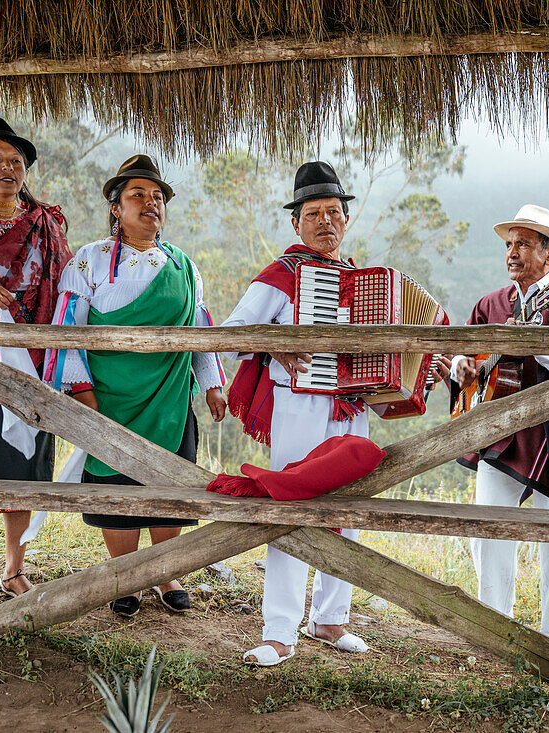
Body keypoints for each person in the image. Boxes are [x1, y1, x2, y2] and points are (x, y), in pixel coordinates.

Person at [45, 155, 227, 618]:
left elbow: (200, 326)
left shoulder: (184, 265)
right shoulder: (88, 261)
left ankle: (165, 572)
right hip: (108, 398)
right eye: (138, 195)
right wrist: (82, 394)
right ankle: (126, 574)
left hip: (168, 398)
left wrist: (211, 384)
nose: (152, 203)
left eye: (158, 196)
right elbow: (67, 326)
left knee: (169, 485)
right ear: (116, 208)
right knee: (116, 485)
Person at [222, 161, 380, 667]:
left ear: (346, 219)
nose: (325, 223)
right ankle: (279, 631)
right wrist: (273, 346)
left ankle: (330, 619)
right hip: (300, 405)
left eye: (334, 212)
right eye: (314, 214)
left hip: (352, 407)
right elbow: (232, 332)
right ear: (296, 223)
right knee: (289, 507)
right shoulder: (281, 276)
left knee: (349, 509)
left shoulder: (364, 281)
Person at [450, 204, 549, 645]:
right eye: (509, 244)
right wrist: (463, 367)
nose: (512, 252)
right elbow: (465, 351)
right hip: (500, 432)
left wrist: (536, 343)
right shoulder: (491, 303)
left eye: (523, 243)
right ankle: (495, 627)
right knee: (489, 529)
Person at [0, 117, 73, 605]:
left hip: (34, 360)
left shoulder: (45, 223)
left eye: (16, 162)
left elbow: (66, 288)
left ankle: (14, 568)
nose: (8, 168)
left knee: (27, 468)